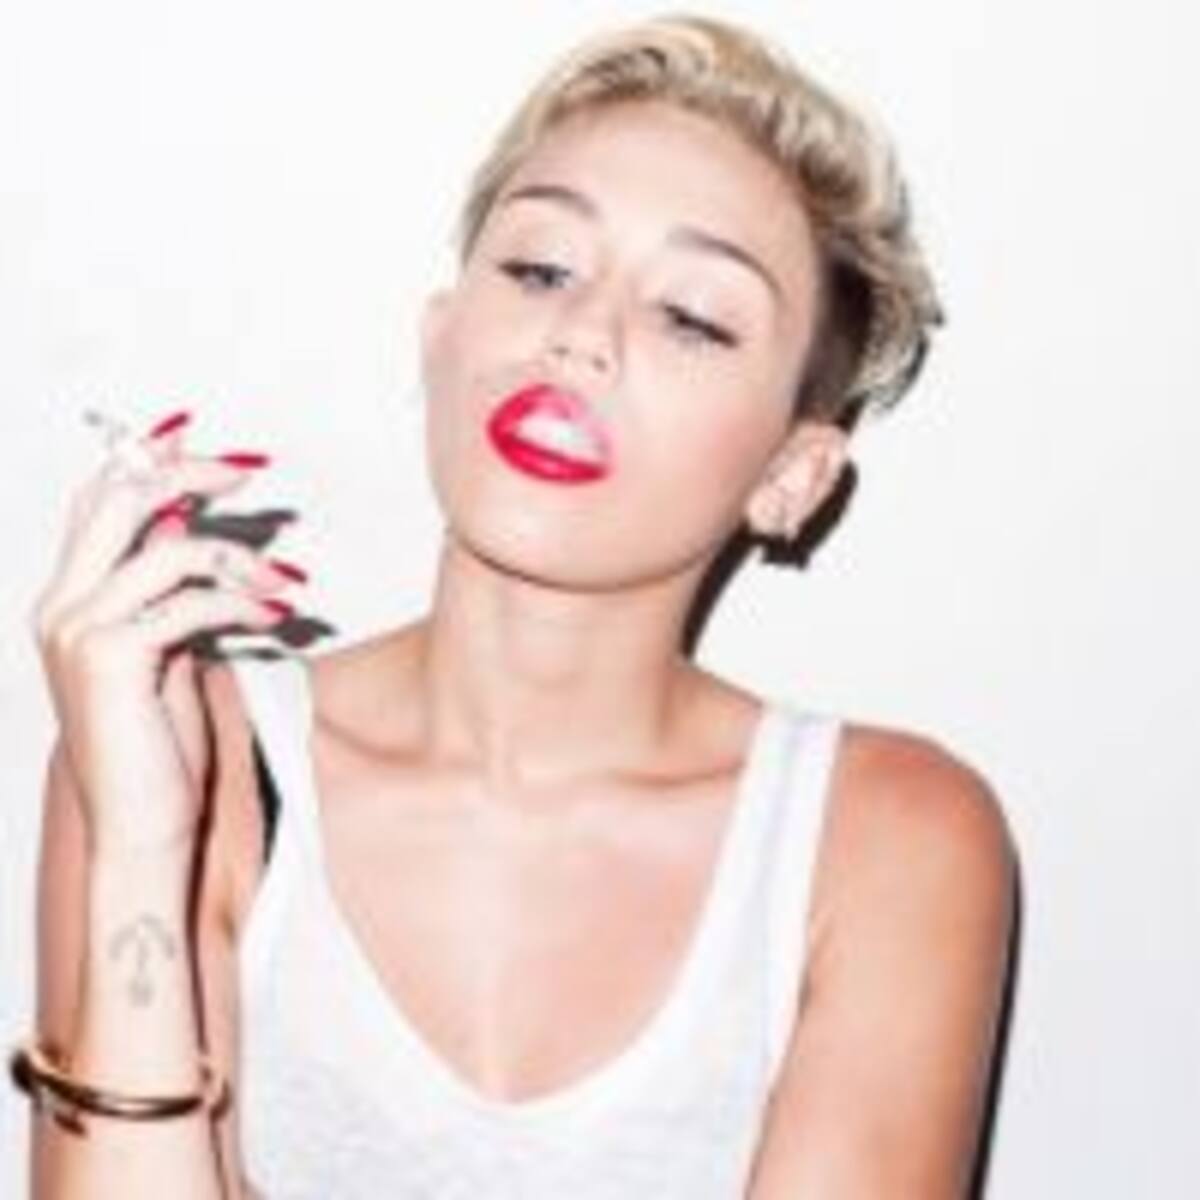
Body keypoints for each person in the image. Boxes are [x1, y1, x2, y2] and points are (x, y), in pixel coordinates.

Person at [17, 14, 1015, 1198]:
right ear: (440, 339)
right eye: (542, 269)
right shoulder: (195, 757)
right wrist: (140, 846)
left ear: (792, 476)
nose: (579, 335)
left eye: (692, 317)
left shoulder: (886, 839)